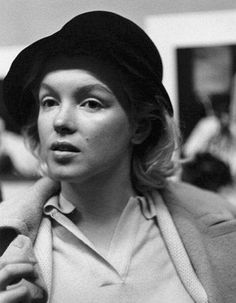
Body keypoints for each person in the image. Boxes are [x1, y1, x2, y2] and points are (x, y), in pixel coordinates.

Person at [0, 10, 236, 303]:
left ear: (139, 127)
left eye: (91, 103)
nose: (60, 121)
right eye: (49, 101)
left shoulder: (217, 225)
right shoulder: (6, 241)